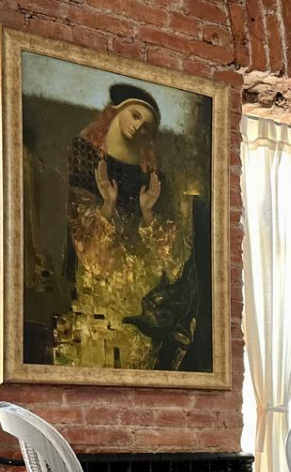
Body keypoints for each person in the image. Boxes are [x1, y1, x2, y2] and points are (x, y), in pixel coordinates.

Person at [54, 83, 195, 371]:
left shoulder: (152, 175)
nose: (138, 127)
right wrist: (108, 204)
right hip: (96, 287)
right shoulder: (85, 152)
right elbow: (85, 240)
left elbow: (172, 257)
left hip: (139, 288)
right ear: (117, 112)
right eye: (135, 115)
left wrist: (148, 213)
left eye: (146, 126)